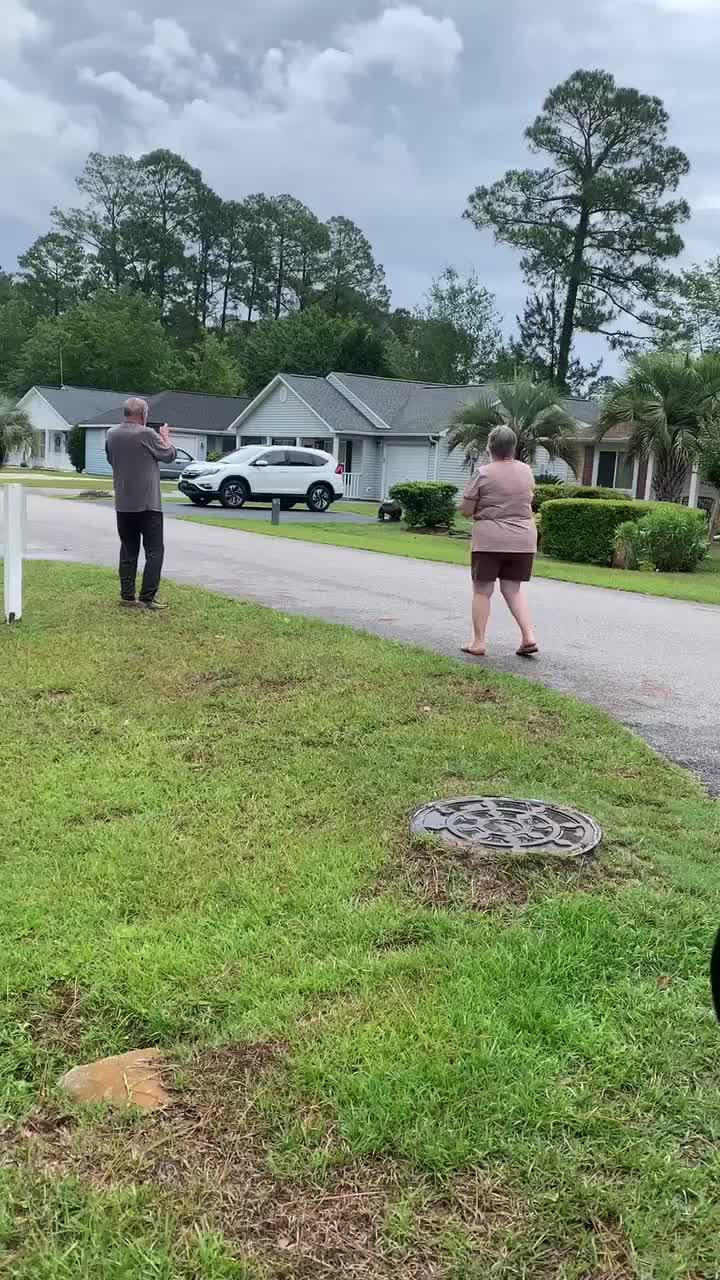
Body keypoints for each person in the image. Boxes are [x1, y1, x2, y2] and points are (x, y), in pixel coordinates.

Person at [460, 424, 538, 658]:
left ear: (490, 447)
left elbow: (466, 510)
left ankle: (478, 642)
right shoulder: (527, 471)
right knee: (513, 590)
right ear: (513, 447)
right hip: (523, 538)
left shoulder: (483, 473)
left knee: (482, 591)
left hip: (490, 540)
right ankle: (528, 636)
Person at [105, 397, 177, 611]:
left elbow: (111, 459)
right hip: (148, 504)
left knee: (128, 549)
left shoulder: (111, 434)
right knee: (154, 551)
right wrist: (165, 438)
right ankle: (147, 598)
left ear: (125, 413)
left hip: (124, 502)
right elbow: (169, 456)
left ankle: (127, 597)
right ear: (143, 414)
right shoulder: (147, 434)